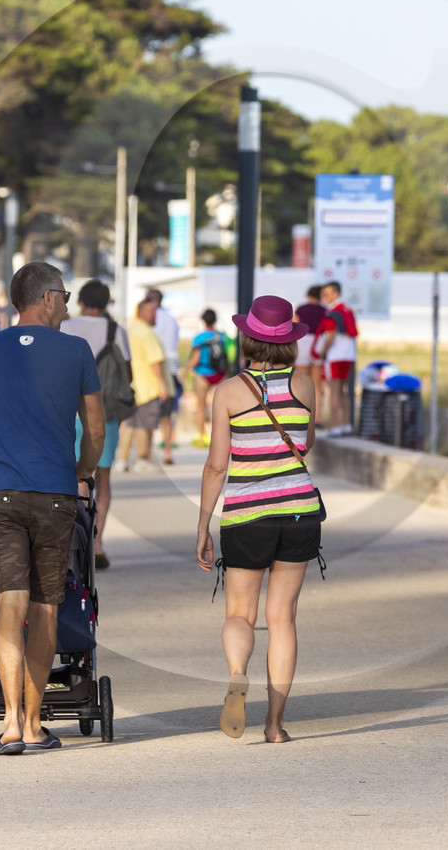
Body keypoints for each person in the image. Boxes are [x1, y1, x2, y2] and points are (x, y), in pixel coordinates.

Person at [0, 261, 104, 755]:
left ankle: (11, 724)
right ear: (46, 298)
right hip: (55, 493)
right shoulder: (76, 351)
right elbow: (95, 429)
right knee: (44, 606)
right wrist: (81, 471)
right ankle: (35, 724)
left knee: (9, 600)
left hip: (0, 493)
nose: (67, 305)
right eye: (64, 295)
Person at [195, 295, 318, 743]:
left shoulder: (228, 392)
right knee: (282, 618)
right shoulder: (305, 385)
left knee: (240, 614)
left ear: (247, 337)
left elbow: (216, 465)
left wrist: (203, 524)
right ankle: (274, 725)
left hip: (247, 516)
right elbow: (305, 444)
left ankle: (237, 673)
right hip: (299, 511)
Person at [62, 279, 132, 569]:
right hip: (104, 413)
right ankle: (97, 543)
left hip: (66, 412)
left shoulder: (64, 327)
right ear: (105, 303)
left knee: (67, 478)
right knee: (102, 479)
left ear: (80, 302)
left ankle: (70, 540)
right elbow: (127, 373)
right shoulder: (116, 331)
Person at [119, 292, 170, 473]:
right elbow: (155, 361)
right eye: (151, 312)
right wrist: (162, 384)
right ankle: (141, 459)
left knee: (128, 424)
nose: (154, 315)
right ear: (140, 312)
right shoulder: (146, 333)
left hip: (129, 385)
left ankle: (122, 459)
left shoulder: (129, 329)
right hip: (147, 386)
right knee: (144, 425)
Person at [315, 281, 359, 436]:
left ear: (335, 294)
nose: (323, 297)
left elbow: (330, 337)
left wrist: (321, 353)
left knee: (333, 391)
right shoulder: (348, 309)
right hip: (349, 355)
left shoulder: (331, 312)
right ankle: (346, 425)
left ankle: (335, 426)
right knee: (343, 391)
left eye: (326, 294)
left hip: (334, 356)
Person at [183, 309, 228, 447]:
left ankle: (202, 437)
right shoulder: (222, 337)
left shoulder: (199, 338)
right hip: (219, 375)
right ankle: (216, 437)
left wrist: (185, 371)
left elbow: (195, 358)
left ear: (203, 321)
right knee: (217, 408)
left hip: (203, 374)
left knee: (201, 407)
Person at [149, 288, 182, 462]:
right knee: (167, 415)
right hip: (173, 365)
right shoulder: (171, 319)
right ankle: (168, 452)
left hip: (157, 366)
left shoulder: (151, 318)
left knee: (148, 412)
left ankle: (146, 454)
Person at [295, 287, 326, 419]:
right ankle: (316, 416)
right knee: (316, 384)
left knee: (302, 381)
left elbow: (294, 324)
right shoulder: (324, 310)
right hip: (318, 343)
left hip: (303, 342)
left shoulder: (301, 308)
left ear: (308, 295)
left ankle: (302, 414)